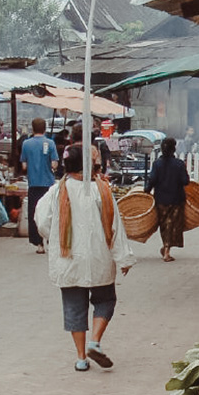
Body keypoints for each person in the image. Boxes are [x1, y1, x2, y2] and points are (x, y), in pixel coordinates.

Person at [34, 144, 135, 372]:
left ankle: (81, 358)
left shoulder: (56, 191)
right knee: (105, 300)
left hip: (67, 259)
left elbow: (42, 223)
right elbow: (115, 226)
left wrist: (58, 236)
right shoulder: (102, 190)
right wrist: (124, 258)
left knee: (74, 307)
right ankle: (95, 342)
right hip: (99, 257)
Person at [145, 136, 190, 262]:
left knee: (164, 225)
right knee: (173, 224)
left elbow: (152, 180)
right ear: (174, 149)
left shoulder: (157, 164)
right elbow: (185, 181)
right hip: (176, 199)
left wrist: (147, 190)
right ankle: (166, 250)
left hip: (161, 200)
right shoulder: (179, 164)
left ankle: (165, 247)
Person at [20, 117, 59, 254]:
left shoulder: (26, 144)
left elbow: (24, 165)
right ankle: (50, 240)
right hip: (48, 184)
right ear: (45, 128)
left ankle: (39, 244)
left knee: (34, 213)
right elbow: (54, 163)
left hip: (33, 184)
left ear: (32, 128)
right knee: (50, 213)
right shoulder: (50, 143)